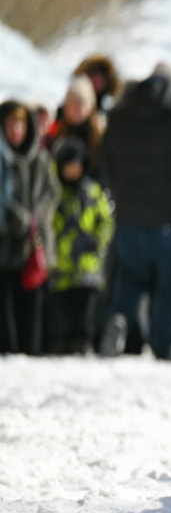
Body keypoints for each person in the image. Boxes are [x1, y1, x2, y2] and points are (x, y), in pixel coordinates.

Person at [96, 70, 171, 360]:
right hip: (170, 220)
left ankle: (121, 318)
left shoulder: (120, 116)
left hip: (128, 218)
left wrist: (118, 196)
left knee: (128, 277)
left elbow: (104, 161)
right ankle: (165, 345)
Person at [46, 136, 114, 355]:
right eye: (68, 165)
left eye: (77, 165)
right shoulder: (55, 193)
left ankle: (83, 342)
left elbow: (106, 221)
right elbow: (49, 221)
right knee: (61, 312)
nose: (73, 170)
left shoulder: (92, 192)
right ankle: (60, 342)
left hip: (88, 265)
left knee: (85, 312)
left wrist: (98, 243)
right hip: (61, 265)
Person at [0, 101, 58, 355]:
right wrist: (13, 216)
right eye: (10, 123)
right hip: (4, 245)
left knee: (31, 308)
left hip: (32, 245)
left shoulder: (40, 159)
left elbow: (51, 193)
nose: (15, 129)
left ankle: (31, 355)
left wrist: (33, 218)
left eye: (20, 123)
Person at [46, 76, 105, 176]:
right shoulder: (54, 128)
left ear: (90, 107)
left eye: (81, 103)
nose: (76, 108)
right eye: (73, 102)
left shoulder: (99, 134)